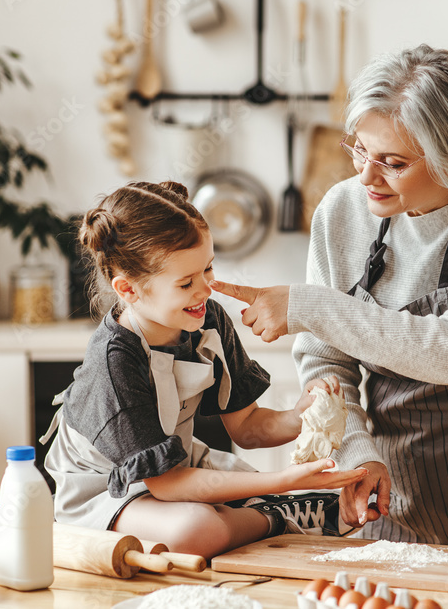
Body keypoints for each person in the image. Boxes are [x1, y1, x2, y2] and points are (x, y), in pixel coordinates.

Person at [210, 45, 448, 559]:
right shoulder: (343, 210)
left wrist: (311, 307)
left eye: (392, 162)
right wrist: (357, 452)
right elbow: (327, 364)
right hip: (398, 490)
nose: (366, 176)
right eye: (359, 150)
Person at [40, 180, 367, 559]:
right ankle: (280, 516)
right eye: (185, 283)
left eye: (207, 268)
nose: (205, 290)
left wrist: (300, 415)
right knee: (196, 530)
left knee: (218, 508)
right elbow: (166, 484)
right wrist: (281, 485)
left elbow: (247, 427)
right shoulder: (115, 363)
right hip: (106, 488)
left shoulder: (205, 320)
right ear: (128, 290)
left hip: (175, 466)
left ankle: (274, 509)